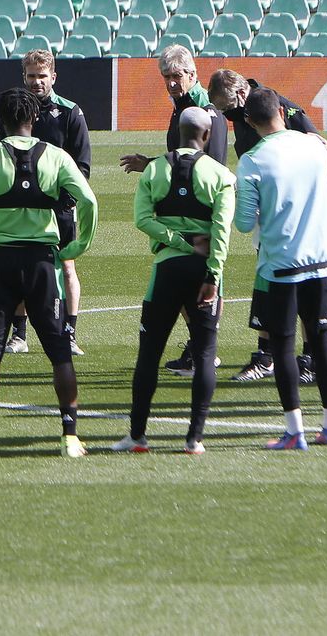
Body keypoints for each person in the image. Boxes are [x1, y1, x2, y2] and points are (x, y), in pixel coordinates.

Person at [0, 88, 98, 459]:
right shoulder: (57, 157)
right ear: (34, 119)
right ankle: (70, 438)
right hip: (43, 264)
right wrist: (78, 246)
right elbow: (89, 201)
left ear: (1, 120)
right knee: (60, 352)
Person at [113, 107, 234, 455]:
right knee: (206, 353)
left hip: (166, 270)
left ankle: (136, 437)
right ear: (207, 136)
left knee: (149, 355)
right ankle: (194, 439)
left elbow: (142, 220)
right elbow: (221, 232)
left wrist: (177, 241)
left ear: (178, 132)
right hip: (203, 274)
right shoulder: (221, 174)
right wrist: (213, 274)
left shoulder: (154, 169)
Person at [233, 89, 327, 451]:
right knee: (321, 341)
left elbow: (245, 223)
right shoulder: (314, 144)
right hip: (322, 259)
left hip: (281, 264)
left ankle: (294, 429)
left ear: (249, 122)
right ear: (282, 111)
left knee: (282, 346)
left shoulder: (253, 160)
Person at [121, 46, 239, 377]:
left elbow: (210, 164)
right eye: (167, 77)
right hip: (182, 204)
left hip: (200, 208)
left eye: (177, 76)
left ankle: (205, 349)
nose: (172, 83)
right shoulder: (182, 107)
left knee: (203, 276)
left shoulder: (205, 110)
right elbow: (181, 159)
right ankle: (197, 348)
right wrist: (152, 165)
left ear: (192, 75)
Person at [207, 67, 321, 386]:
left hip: (294, 213)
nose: (227, 116)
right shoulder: (243, 115)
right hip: (267, 210)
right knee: (269, 281)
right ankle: (266, 356)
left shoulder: (276, 107)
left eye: (228, 109)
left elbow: (317, 143)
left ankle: (309, 358)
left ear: (241, 96)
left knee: (301, 283)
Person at [0, 49, 91, 356]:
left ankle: (69, 332)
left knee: (66, 266)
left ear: (53, 76)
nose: (36, 82)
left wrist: (65, 202)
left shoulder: (70, 112)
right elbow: (1, 155)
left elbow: (82, 166)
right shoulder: (14, 111)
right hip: (22, 208)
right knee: (23, 266)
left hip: (59, 208)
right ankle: (20, 336)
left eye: (42, 76)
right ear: (24, 77)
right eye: (31, 76)